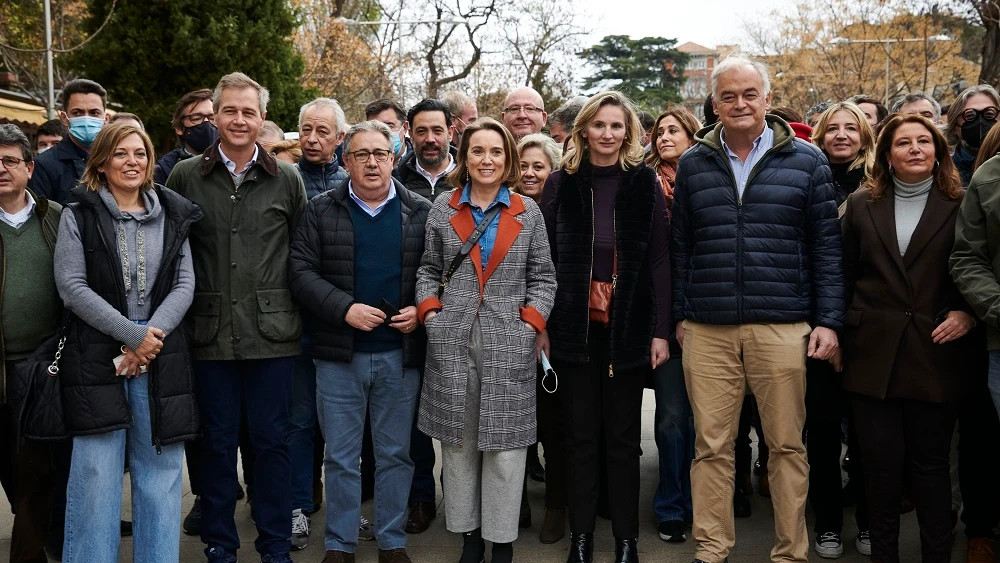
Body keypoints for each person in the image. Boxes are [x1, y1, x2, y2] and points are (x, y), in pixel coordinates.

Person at [671, 55, 843, 563]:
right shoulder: (693, 163)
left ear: (767, 100)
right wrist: (682, 315)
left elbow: (826, 250)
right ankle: (711, 549)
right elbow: (681, 246)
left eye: (750, 94)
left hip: (783, 325)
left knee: (787, 447)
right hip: (708, 328)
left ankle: (790, 552)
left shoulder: (806, 161)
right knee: (711, 450)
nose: (740, 104)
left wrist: (828, 321)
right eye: (728, 95)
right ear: (715, 103)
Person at [165, 71, 307, 563]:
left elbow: (300, 252)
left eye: (249, 111)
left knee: (271, 445)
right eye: (230, 110)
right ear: (216, 116)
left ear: (263, 117)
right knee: (215, 447)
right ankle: (221, 546)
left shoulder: (286, 178)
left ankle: (274, 547)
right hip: (209, 334)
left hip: (273, 335)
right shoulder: (185, 175)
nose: (239, 119)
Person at [53, 121, 201, 563]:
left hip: (162, 352)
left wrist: (149, 339)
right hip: (96, 354)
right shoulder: (76, 215)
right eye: (120, 153)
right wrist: (133, 335)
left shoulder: (174, 213)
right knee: (95, 474)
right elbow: (72, 287)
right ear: (101, 161)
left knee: (160, 473)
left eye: (140, 153)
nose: (131, 161)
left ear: (151, 161)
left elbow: (185, 283)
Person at [289, 119, 430, 563]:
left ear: (394, 158)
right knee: (342, 458)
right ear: (345, 160)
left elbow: (438, 273)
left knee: (395, 454)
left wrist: (423, 309)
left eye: (381, 154)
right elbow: (299, 273)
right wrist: (343, 308)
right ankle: (339, 543)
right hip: (338, 355)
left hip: (398, 355)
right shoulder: (319, 210)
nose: (372, 163)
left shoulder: (421, 211)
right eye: (362, 155)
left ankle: (391, 541)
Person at [416, 117, 556, 563]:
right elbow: (428, 270)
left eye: (496, 152)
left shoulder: (525, 211)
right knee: (457, 447)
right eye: (478, 151)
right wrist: (431, 315)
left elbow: (544, 276)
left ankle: (502, 542)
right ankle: (469, 540)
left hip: (507, 341)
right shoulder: (443, 207)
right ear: (465, 156)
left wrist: (529, 325)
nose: (487, 160)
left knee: (506, 449)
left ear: (508, 158)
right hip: (452, 341)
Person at [540, 91, 671, 563]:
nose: (608, 134)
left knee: (622, 438)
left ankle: (625, 540)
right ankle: (580, 540)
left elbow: (658, 258)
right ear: (583, 131)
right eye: (600, 125)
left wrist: (660, 329)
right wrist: (543, 325)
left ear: (629, 132)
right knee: (579, 437)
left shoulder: (644, 184)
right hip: (573, 326)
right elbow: (546, 261)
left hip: (629, 326)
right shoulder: (561, 183)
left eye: (617, 126)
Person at [841, 114, 973, 563]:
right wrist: (837, 333)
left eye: (924, 141)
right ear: (887, 155)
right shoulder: (861, 204)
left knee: (931, 469)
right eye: (903, 143)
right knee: (879, 471)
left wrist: (968, 313)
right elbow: (843, 274)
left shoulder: (962, 202)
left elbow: (981, 266)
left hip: (936, 352)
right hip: (870, 355)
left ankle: (937, 555)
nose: (915, 148)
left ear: (938, 151)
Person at [806, 101, 875, 558]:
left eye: (853, 128)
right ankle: (828, 523)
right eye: (834, 128)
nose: (843, 135)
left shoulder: (878, 189)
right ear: (821, 136)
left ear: (866, 138)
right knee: (823, 432)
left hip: (869, 326)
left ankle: (870, 521)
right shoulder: (806, 181)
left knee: (870, 433)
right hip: (814, 325)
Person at [0, 124, 65, 563]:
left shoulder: (57, 218)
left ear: (29, 167)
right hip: (0, 368)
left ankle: (33, 551)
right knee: (12, 467)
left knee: (38, 468)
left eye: (9, 161)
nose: (0, 169)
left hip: (45, 366)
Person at [643, 105, 700, 543]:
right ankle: (670, 505)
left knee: (710, 424)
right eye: (659, 131)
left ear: (691, 135)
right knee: (672, 418)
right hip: (661, 318)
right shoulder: (645, 185)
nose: (664, 137)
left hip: (707, 314)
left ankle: (704, 498)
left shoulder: (706, 182)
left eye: (674, 130)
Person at [949, 97, 1000, 563]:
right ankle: (979, 526)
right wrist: (992, 308)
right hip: (992, 333)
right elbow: (967, 257)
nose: (980, 121)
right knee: (981, 437)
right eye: (970, 114)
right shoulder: (986, 178)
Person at [29, 79, 109, 205]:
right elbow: (42, 218)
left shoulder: (115, 159)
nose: (86, 119)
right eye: (77, 113)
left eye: (94, 112)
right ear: (64, 118)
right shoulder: (44, 165)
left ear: (106, 119)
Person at [393, 98, 457, 201]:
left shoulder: (469, 177)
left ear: (450, 133)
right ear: (411, 135)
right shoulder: (395, 182)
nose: (430, 139)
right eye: (421, 131)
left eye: (437, 131)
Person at [154, 89, 218, 185]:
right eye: (196, 118)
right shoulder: (163, 171)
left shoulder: (236, 164)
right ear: (179, 128)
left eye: (212, 118)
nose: (206, 123)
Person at [945, 84, 1000, 186]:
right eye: (970, 115)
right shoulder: (943, 171)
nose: (980, 121)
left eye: (989, 114)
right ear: (954, 126)